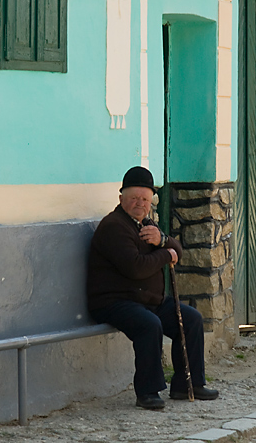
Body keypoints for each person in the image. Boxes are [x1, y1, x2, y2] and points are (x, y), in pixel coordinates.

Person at [87, 166, 219, 410]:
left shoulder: (144, 224)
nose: (140, 203)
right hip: (114, 301)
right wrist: (166, 254)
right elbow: (135, 268)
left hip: (148, 300)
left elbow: (177, 249)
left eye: (145, 199)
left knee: (191, 319)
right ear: (121, 199)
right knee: (149, 325)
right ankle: (148, 391)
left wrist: (163, 241)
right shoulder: (114, 226)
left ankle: (188, 384)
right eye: (134, 198)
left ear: (151, 202)